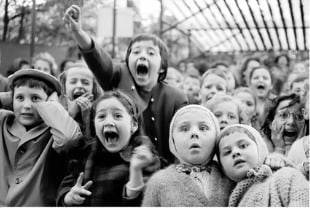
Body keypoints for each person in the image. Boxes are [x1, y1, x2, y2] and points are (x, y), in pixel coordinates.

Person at [63, 5, 188, 165]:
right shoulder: (118, 77)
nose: (142, 56)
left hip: (164, 175)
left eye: (150, 53)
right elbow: (99, 60)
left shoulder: (176, 98)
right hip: (121, 172)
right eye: (136, 52)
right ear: (127, 61)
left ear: (162, 66)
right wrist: (78, 32)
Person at [57, 90, 160, 206]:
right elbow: (64, 189)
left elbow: (145, 201)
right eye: (101, 116)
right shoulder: (84, 153)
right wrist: (68, 197)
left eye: (117, 116)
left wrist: (135, 171)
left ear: (134, 125)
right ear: (94, 124)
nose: (109, 122)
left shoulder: (144, 156)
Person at [0, 69, 81, 206]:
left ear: (50, 101)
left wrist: (54, 105)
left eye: (35, 98)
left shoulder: (54, 129)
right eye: (20, 98)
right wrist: (8, 95)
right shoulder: (3, 120)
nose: (26, 106)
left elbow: (69, 139)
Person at [142, 105, 234, 206]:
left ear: (216, 135)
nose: (194, 133)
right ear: (172, 140)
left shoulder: (230, 174)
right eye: (184, 129)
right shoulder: (158, 182)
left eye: (203, 128)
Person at [216, 124, 309, 206]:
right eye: (227, 152)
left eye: (243, 146)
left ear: (260, 149)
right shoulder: (225, 199)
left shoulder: (285, 177)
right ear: (222, 167)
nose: (235, 152)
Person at [59, 61, 102, 137]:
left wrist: (87, 118)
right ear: (64, 87)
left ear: (93, 88)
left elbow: (92, 146)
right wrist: (71, 115)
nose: (79, 85)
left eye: (85, 83)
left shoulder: (100, 111)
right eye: (73, 82)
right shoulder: (55, 108)